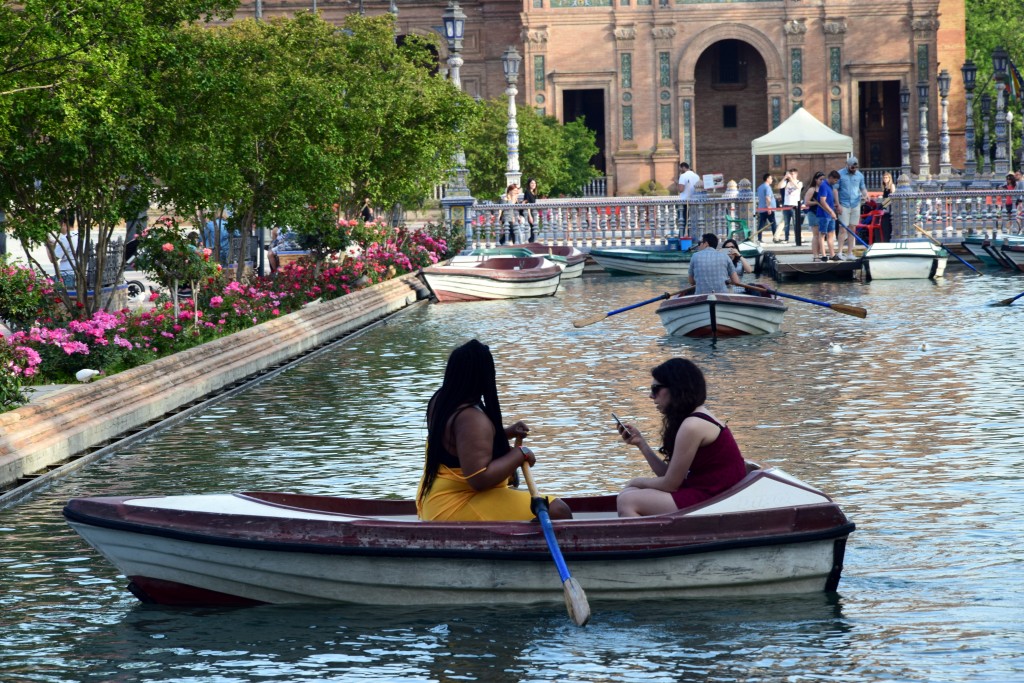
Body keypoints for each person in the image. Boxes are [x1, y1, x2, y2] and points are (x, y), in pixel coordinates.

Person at [416, 339, 572, 522]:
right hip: (456, 505)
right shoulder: (471, 417)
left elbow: (462, 445)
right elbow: (479, 479)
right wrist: (521, 454)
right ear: (483, 375)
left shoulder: (442, 399)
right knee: (559, 511)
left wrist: (505, 434)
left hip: (435, 500)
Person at [615, 358, 747, 517]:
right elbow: (670, 476)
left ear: (676, 388)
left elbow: (670, 484)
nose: (651, 396)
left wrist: (637, 481)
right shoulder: (692, 419)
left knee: (628, 500)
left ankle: (648, 541)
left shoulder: (692, 425)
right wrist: (641, 444)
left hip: (715, 498)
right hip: (706, 492)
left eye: (655, 389)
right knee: (630, 493)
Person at [836, 156, 868, 260]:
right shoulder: (840, 174)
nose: (854, 169)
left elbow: (862, 187)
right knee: (843, 229)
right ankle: (840, 252)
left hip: (855, 204)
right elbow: (835, 190)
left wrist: (866, 195)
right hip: (843, 204)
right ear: (847, 165)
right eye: (852, 167)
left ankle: (850, 253)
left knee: (852, 229)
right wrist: (837, 204)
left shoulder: (859, 175)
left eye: (855, 167)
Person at [816, 170, 840, 261]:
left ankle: (832, 254)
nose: (836, 182)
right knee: (822, 234)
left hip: (830, 214)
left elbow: (829, 200)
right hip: (824, 214)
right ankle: (823, 255)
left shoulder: (830, 186)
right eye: (835, 180)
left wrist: (834, 207)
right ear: (830, 178)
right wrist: (831, 212)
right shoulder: (823, 185)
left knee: (831, 234)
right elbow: (822, 201)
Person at [776, 168, 803, 243]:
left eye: (793, 174)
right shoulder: (786, 183)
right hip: (786, 205)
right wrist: (784, 178)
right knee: (786, 223)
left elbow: (798, 187)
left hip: (794, 206)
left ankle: (797, 238)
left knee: (795, 223)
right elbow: (779, 186)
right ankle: (786, 238)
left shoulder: (799, 182)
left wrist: (791, 179)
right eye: (790, 174)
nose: (791, 175)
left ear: (796, 174)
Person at [804, 172, 823, 261]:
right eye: (820, 179)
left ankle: (819, 253)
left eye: (823, 179)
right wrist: (816, 202)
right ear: (816, 180)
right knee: (816, 235)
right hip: (813, 213)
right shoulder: (812, 189)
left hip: (821, 214)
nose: (822, 181)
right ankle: (815, 255)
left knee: (821, 235)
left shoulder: (823, 189)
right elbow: (806, 202)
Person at [677, 162, 701, 233]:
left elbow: (681, 189)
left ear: (683, 167)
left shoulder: (683, 176)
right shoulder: (697, 176)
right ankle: (693, 236)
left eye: (680, 168)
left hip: (684, 201)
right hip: (694, 201)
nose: (680, 170)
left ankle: (682, 236)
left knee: (683, 221)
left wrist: (676, 184)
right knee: (693, 221)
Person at [756, 173, 778, 242]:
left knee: (761, 224)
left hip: (762, 208)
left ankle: (759, 238)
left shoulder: (760, 187)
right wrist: (769, 207)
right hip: (768, 209)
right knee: (773, 223)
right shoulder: (767, 187)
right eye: (771, 178)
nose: (772, 180)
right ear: (767, 179)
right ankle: (775, 238)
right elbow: (768, 198)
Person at [521, 178, 539, 242]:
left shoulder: (534, 192)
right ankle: (530, 241)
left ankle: (531, 241)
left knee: (535, 229)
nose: (533, 184)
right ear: (529, 184)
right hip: (529, 212)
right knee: (534, 228)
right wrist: (530, 216)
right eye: (532, 183)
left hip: (533, 212)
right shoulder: (527, 192)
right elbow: (527, 203)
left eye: (534, 183)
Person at [880, 171, 896, 242]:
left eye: (886, 178)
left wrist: (884, 203)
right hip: (885, 204)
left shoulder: (891, 186)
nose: (885, 179)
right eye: (884, 178)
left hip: (889, 204)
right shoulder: (884, 187)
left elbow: (893, 196)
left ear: (889, 178)